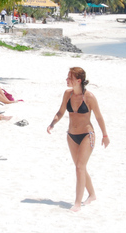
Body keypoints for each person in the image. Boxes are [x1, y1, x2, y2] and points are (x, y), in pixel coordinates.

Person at [47, 67, 110, 212]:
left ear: (78, 80)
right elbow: (61, 111)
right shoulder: (67, 94)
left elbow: (99, 117)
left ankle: (77, 203)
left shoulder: (89, 97)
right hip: (71, 135)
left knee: (79, 167)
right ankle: (92, 194)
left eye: (69, 77)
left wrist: (105, 135)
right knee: (80, 167)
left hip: (87, 135)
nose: (67, 80)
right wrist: (52, 123)